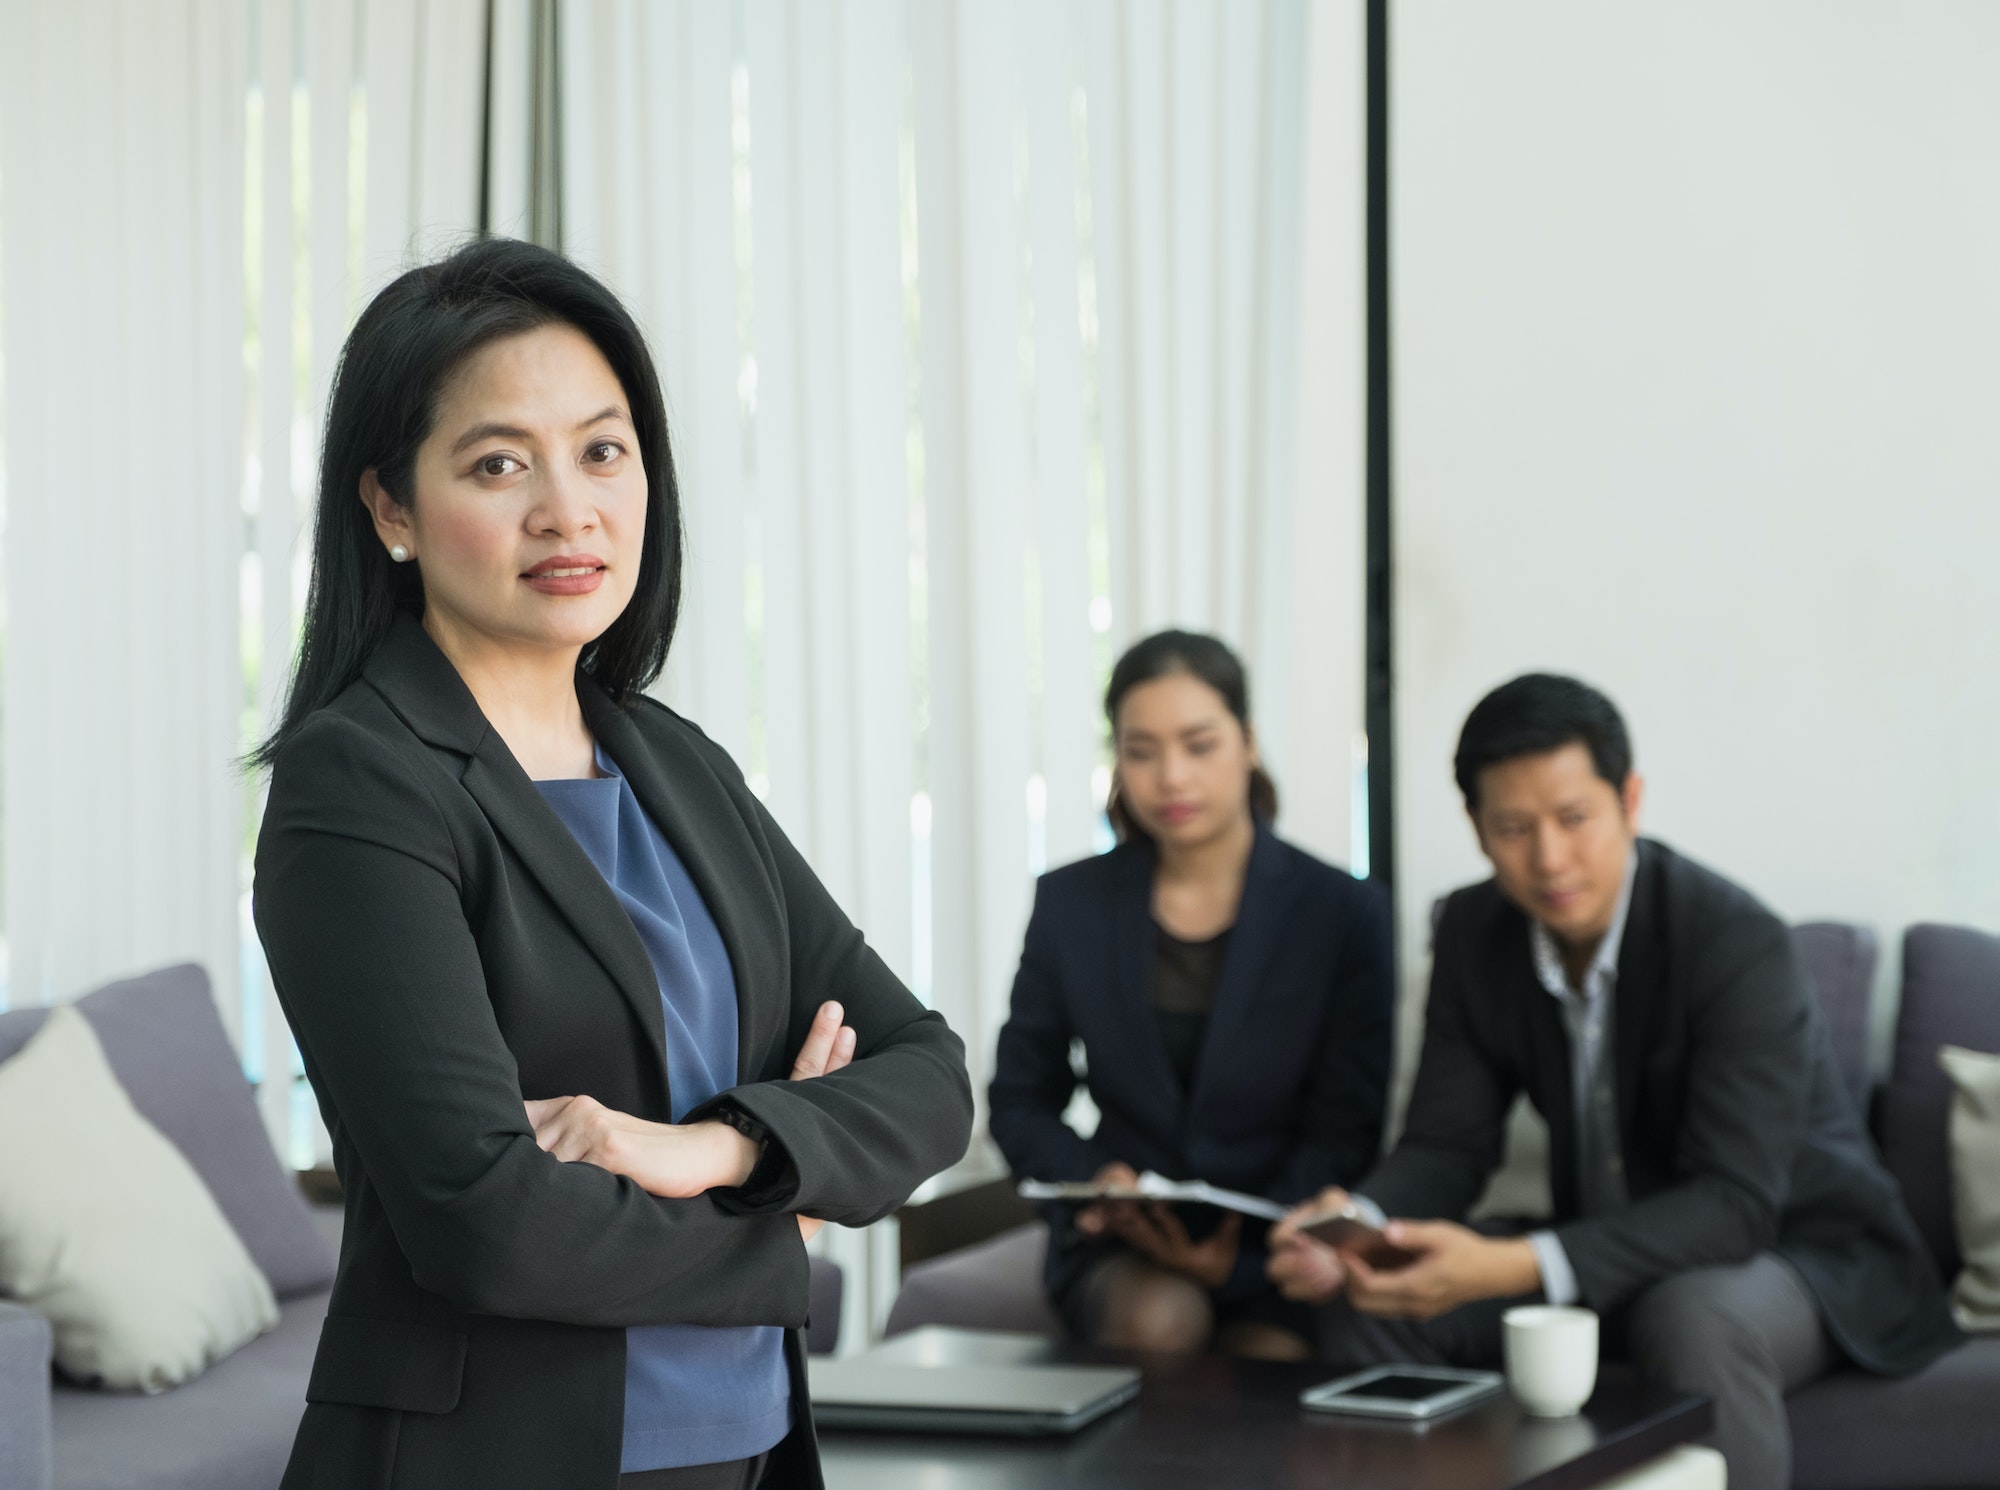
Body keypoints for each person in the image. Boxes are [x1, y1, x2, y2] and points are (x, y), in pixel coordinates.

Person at [251, 239, 973, 1490]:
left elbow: (929, 1076)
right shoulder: (360, 784)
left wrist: (719, 1147)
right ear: (390, 509)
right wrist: (792, 1218)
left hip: (745, 1449)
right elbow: (490, 1227)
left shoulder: (674, 763)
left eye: (601, 449)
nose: (566, 508)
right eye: (496, 463)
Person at [1267, 673, 1959, 1490]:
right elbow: (1448, 1143)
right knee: (1368, 1299)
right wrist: (1360, 1224)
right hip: (1609, 1241)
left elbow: (1734, 1204)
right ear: (1478, 829)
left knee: (1694, 1312)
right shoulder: (1471, 932)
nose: (1549, 858)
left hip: (1801, 1251)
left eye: (1573, 819)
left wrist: (1516, 1264)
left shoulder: (1735, 940)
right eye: (1514, 827)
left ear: (1629, 800)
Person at [988, 630, 1393, 1359]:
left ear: (1249, 743)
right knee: (1158, 1318)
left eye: (1199, 745)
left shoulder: (1343, 913)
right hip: (1127, 1240)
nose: (1171, 777)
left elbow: (1347, 1127)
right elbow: (1020, 1098)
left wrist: (1242, 1254)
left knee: (1269, 1360)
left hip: (1278, 1239)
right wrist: (1094, 1182)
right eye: (1141, 751)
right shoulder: (1070, 904)